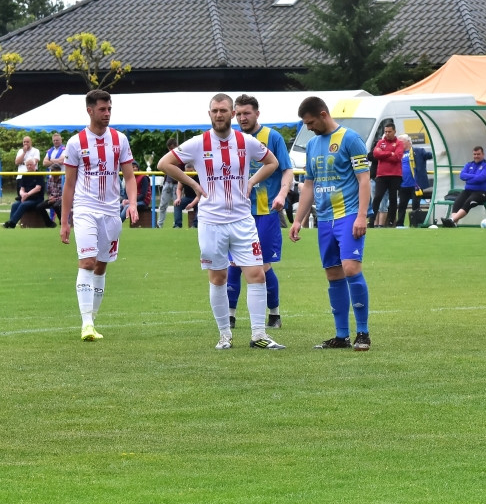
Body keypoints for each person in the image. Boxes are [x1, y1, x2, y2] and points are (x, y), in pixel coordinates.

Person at [157, 93, 284, 351]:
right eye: (214, 110)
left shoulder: (246, 142)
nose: (219, 114)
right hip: (211, 221)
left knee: (257, 274)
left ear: (233, 113)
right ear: (209, 114)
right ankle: (224, 335)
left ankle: (259, 334)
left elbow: (272, 162)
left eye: (224, 110)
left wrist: (251, 181)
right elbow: (164, 163)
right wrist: (193, 183)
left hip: (241, 219)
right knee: (218, 278)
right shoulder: (198, 143)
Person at [290, 96, 372, 351]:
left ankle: (363, 333)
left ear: (323, 114)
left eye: (311, 122)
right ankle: (341, 336)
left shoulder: (350, 139)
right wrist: (298, 219)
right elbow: (309, 185)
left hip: (348, 215)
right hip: (324, 219)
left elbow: (364, 179)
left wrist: (361, 215)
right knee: (333, 274)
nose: (309, 127)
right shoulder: (313, 145)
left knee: (350, 269)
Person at [59, 90, 139, 341]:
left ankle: (92, 320)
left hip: (111, 212)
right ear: (90, 110)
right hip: (84, 209)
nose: (107, 114)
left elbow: (128, 176)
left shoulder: (120, 139)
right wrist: (64, 222)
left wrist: (133, 203)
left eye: (109, 109)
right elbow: (69, 186)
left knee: (101, 266)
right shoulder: (75, 143)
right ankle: (86, 324)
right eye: (102, 109)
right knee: (87, 262)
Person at [226, 94, 294, 330]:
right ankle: (230, 315)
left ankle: (274, 313)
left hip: (265, 212)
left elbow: (287, 170)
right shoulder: (231, 139)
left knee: (263, 265)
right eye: (239, 113)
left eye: (247, 113)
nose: (242, 118)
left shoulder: (272, 137)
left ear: (257, 114)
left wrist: (282, 194)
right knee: (233, 264)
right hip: (236, 212)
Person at [441, 146, 486, 227]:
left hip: (484, 193)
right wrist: (475, 176)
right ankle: (453, 223)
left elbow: (480, 178)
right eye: (474, 154)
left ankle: (451, 220)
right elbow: (462, 175)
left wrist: (469, 177)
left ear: (483, 154)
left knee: (469, 201)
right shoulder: (469, 164)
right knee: (457, 202)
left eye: (478, 154)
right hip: (468, 191)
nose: (476, 156)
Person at [371, 121, 403, 227]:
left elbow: (397, 157)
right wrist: (390, 153)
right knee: (377, 197)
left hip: (395, 175)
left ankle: (390, 221)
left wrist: (383, 154)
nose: (387, 133)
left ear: (394, 131)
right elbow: (376, 154)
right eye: (385, 131)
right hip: (381, 175)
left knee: (393, 198)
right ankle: (371, 221)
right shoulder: (380, 142)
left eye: (389, 131)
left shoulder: (399, 143)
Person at [3, 158, 47, 227]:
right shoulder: (25, 175)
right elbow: (22, 188)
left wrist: (27, 195)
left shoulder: (39, 174)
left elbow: (38, 188)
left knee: (23, 205)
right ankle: (11, 223)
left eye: (30, 165)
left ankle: (12, 223)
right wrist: (22, 194)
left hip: (36, 199)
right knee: (15, 204)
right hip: (26, 198)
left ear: (35, 165)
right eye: (27, 165)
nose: (29, 166)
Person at [394, 134, 417, 227]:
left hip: (415, 184)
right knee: (402, 206)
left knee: (415, 205)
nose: (399, 144)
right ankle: (400, 224)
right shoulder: (399, 153)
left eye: (401, 142)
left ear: (407, 142)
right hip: (403, 184)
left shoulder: (415, 152)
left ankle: (415, 223)